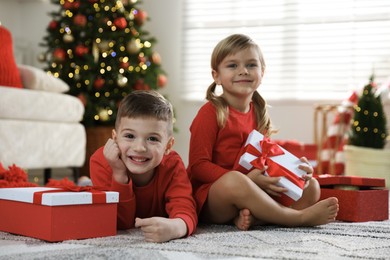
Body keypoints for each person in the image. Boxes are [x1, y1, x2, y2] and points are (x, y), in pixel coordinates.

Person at [187, 34, 339, 231]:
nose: (243, 71)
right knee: (235, 181)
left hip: (252, 187)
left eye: (251, 65)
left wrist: (294, 169)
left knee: (311, 187)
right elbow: (199, 166)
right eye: (232, 65)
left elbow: (265, 160)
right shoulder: (210, 112)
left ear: (262, 73)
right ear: (216, 76)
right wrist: (246, 180)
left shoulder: (259, 113)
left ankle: (258, 218)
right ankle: (296, 218)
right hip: (214, 197)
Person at [90, 90, 197, 243]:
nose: (139, 147)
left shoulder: (172, 165)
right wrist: (119, 174)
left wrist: (176, 227)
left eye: (153, 139)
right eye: (129, 136)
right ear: (115, 138)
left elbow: (185, 206)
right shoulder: (101, 162)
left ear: (168, 146)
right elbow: (120, 222)